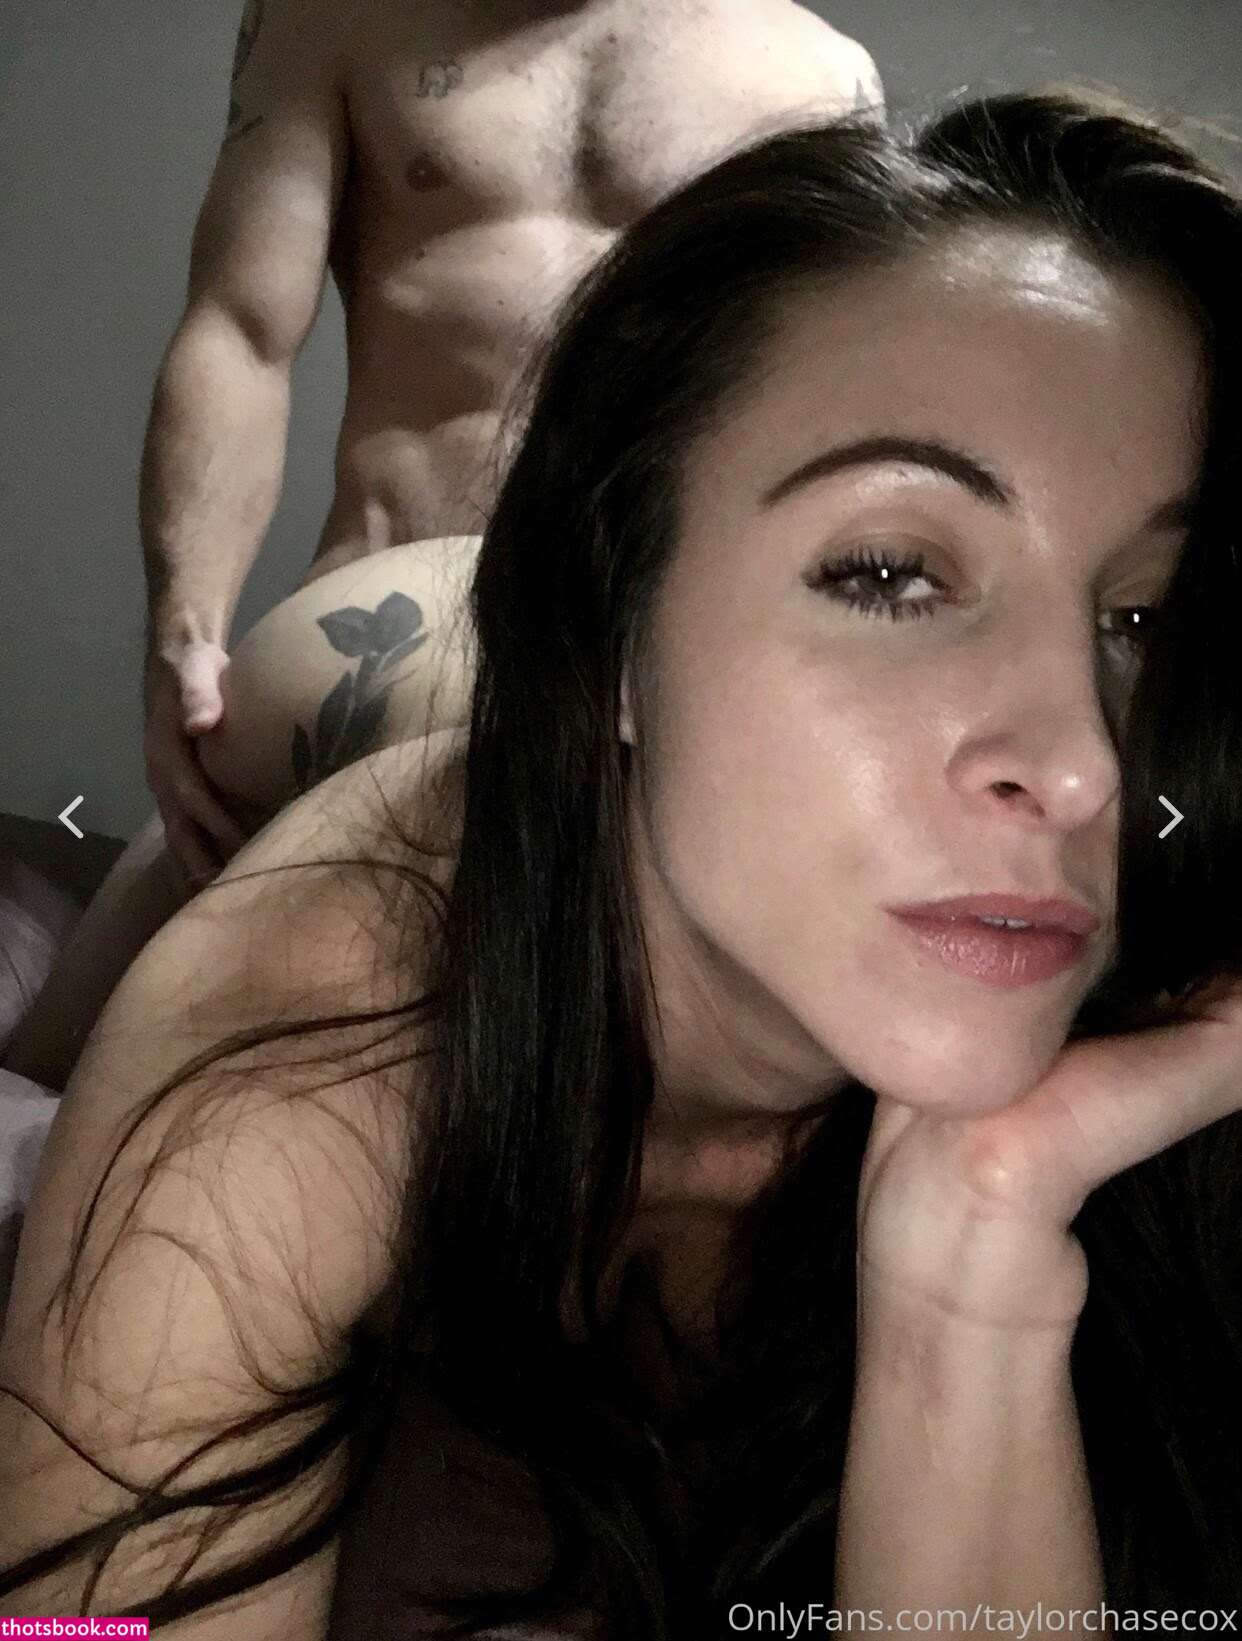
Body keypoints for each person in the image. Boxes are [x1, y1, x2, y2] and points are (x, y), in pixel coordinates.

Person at [3, 85, 1242, 1637]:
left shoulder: (1181, 916)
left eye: (1138, 616)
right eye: (887, 573)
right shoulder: (305, 1032)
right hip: (357, 676)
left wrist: (972, 1277)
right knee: (77, 1067)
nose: (1078, 767)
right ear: (604, 632)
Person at [0, 0, 882, 1094]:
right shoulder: (332, 21)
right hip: (365, 636)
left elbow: (835, 428)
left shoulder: (819, 79)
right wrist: (186, 633)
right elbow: (242, 331)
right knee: (49, 1079)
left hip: (637, 666)